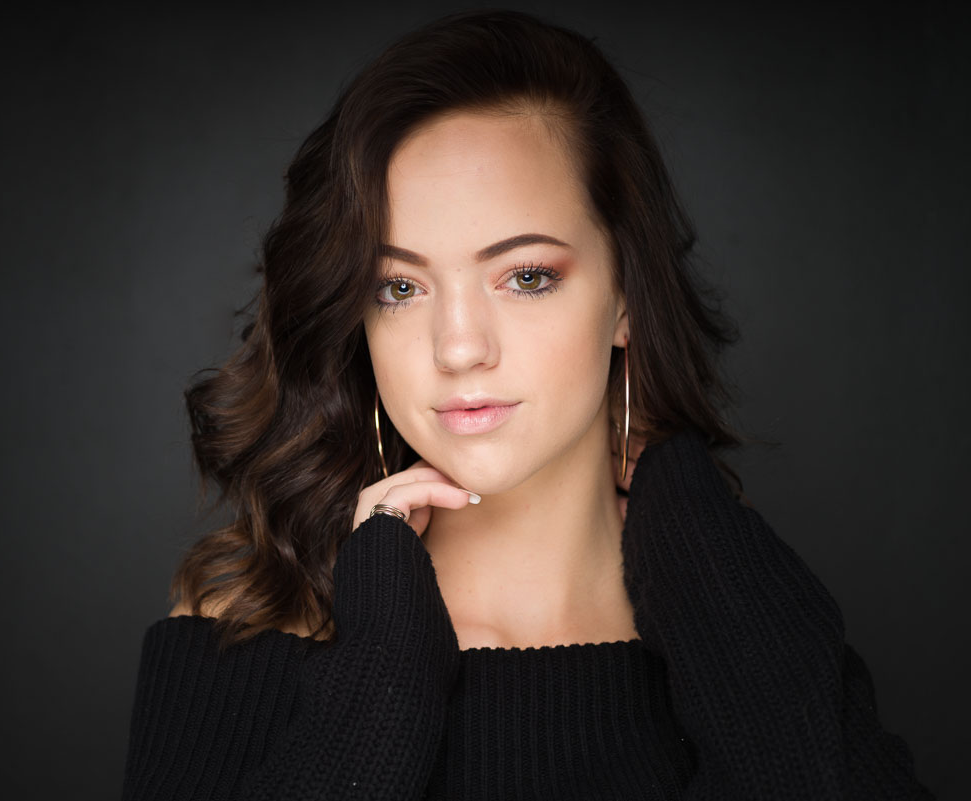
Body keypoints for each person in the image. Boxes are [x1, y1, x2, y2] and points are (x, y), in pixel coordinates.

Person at [121, 9, 933, 799]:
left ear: (626, 296)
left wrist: (691, 518)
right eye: (399, 287)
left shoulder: (742, 616)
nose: (459, 346)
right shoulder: (251, 616)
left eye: (526, 276)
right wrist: (382, 687)